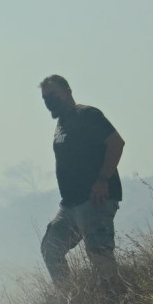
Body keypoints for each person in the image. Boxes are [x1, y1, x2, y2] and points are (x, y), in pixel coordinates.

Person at [40, 74, 126, 289]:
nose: (49, 101)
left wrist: (102, 180)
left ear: (68, 92)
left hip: (94, 201)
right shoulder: (61, 124)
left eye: (53, 95)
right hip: (69, 205)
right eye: (45, 98)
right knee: (51, 248)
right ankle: (71, 301)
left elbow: (116, 143)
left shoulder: (87, 115)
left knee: (99, 255)